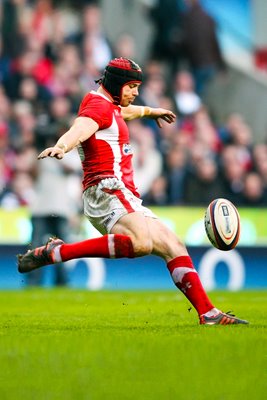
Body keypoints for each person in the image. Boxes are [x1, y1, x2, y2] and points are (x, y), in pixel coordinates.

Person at [17, 57, 248, 325]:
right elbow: (80, 129)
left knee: (173, 244)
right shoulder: (97, 108)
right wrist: (62, 146)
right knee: (141, 242)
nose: (135, 92)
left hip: (123, 193)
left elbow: (121, 114)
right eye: (132, 87)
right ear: (116, 85)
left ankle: (208, 313)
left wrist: (151, 111)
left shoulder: (107, 105)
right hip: (106, 189)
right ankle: (59, 252)